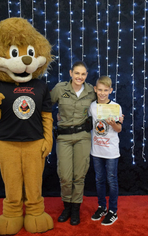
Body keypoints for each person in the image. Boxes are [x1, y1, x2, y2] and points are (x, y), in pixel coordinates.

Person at [50, 61, 96, 225]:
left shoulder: (91, 90)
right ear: (71, 73)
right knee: (65, 176)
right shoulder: (60, 89)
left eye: (83, 74)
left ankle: (75, 209)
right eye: (77, 73)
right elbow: (46, 106)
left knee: (79, 175)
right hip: (64, 138)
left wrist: (116, 117)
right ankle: (67, 207)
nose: (80, 77)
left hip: (83, 136)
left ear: (86, 76)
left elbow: (102, 104)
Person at [88, 76, 122, 226]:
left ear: (110, 90)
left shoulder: (116, 106)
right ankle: (102, 207)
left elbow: (119, 129)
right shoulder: (91, 106)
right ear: (95, 90)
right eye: (100, 90)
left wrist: (113, 124)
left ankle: (113, 211)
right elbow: (89, 123)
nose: (102, 93)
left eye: (105, 90)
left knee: (111, 181)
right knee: (99, 180)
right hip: (96, 150)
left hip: (111, 151)